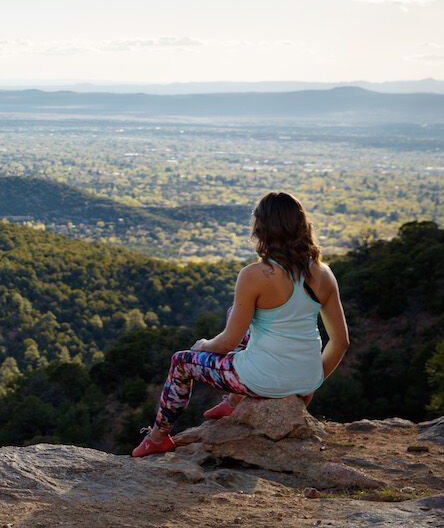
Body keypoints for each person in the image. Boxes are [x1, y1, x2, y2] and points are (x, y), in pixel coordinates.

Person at [132, 191, 349, 457]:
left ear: (262, 228)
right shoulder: (324, 273)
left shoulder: (255, 275)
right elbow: (340, 342)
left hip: (262, 379)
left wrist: (202, 345)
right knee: (235, 311)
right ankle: (234, 400)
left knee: (181, 362)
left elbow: (227, 343)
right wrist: (309, 382)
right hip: (306, 379)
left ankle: (157, 437)